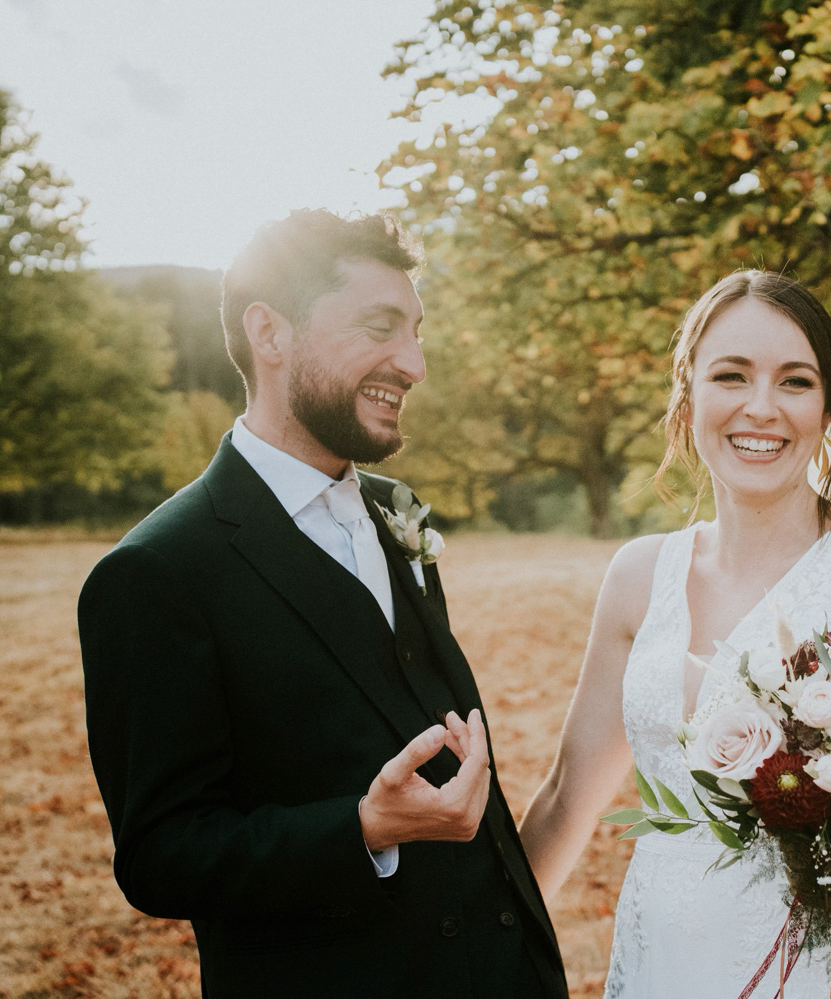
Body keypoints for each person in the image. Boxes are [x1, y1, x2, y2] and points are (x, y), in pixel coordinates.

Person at [78, 210, 568, 999]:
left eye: (417, 331)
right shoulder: (157, 572)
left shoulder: (396, 507)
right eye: (381, 327)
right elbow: (160, 856)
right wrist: (363, 828)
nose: (412, 362)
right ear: (270, 334)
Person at [518, 270, 831, 998]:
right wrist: (474, 947)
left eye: (796, 381)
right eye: (731, 375)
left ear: (827, 407)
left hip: (821, 971)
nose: (761, 408)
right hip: (662, 965)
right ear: (687, 392)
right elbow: (569, 795)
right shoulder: (639, 575)